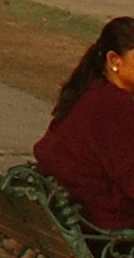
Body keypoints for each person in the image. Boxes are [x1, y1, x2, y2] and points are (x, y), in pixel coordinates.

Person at [29, 13, 134, 230]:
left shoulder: (90, 91)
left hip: (74, 213)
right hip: (103, 224)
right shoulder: (114, 104)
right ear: (114, 60)